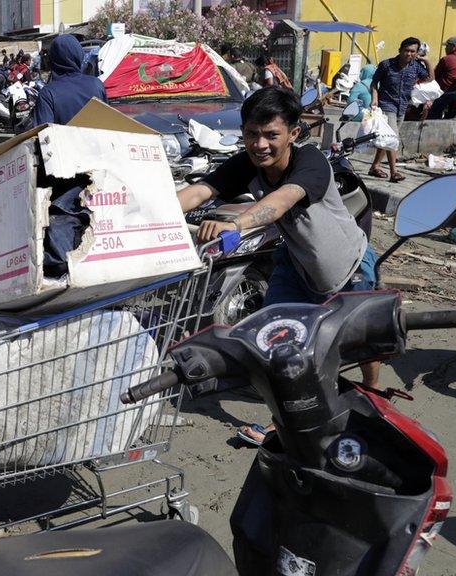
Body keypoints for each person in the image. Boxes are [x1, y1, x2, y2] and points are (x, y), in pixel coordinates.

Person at [176, 86, 378, 446]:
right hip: (296, 264)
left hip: (348, 265)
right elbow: (200, 191)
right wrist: (148, 213)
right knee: (275, 344)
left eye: (271, 135)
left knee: (365, 342)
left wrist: (235, 224)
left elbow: (282, 200)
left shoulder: (310, 161)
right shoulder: (246, 164)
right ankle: (283, 421)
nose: (260, 144)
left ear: (293, 134)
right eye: (252, 134)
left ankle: (373, 396)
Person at [369, 37, 432, 183]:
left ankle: (374, 166)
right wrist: (374, 97)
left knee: (387, 139)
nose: (409, 54)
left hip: (403, 107)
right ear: (400, 50)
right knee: (393, 138)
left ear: (416, 53)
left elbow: (429, 79)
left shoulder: (416, 66)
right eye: (406, 50)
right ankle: (394, 172)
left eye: (412, 51)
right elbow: (374, 82)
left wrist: (427, 61)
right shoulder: (386, 65)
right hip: (386, 104)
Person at [31, 35, 107, 126]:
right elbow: (107, 121)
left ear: (52, 59)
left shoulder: (47, 94)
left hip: (62, 140)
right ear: (79, 55)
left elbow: (44, 135)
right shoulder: (97, 85)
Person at [429, 37, 456, 119]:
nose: (445, 48)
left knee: (433, 111)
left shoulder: (446, 59)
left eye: (447, 46)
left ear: (454, 46)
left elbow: (435, 75)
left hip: (446, 91)